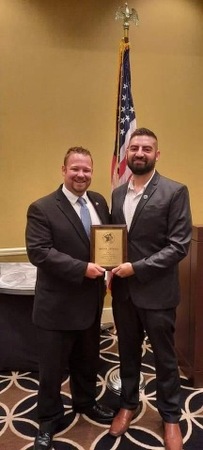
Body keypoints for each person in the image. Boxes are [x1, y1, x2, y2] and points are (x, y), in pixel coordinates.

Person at [25, 146, 115, 450]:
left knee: (87, 361)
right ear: (63, 170)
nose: (81, 175)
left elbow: (109, 243)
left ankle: (86, 402)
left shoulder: (100, 202)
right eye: (75, 169)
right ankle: (48, 420)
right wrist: (82, 269)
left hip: (90, 303)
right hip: (57, 307)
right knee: (51, 370)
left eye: (87, 170)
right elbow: (39, 253)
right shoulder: (43, 207)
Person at [109, 128, 192, 450]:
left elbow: (179, 246)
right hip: (124, 293)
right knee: (127, 353)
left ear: (157, 154)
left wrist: (137, 268)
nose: (139, 153)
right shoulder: (117, 194)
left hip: (158, 293)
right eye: (134, 148)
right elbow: (114, 242)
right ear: (127, 154)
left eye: (146, 148)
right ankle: (128, 405)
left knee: (164, 359)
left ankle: (170, 416)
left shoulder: (174, 191)